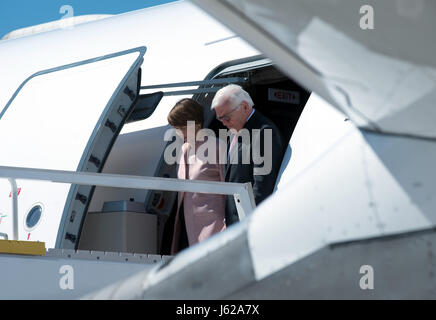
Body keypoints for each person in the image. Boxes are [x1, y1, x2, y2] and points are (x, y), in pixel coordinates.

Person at [211, 84, 285, 226]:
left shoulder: (263, 132)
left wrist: (247, 224)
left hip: (249, 224)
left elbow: (262, 188)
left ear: (245, 107)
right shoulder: (235, 130)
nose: (223, 123)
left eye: (226, 117)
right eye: (219, 119)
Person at [167, 98, 226, 254]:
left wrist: (228, 228)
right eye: (175, 128)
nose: (178, 133)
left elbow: (231, 191)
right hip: (185, 229)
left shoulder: (217, 146)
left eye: (181, 127)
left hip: (213, 231)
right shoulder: (184, 149)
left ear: (196, 123)